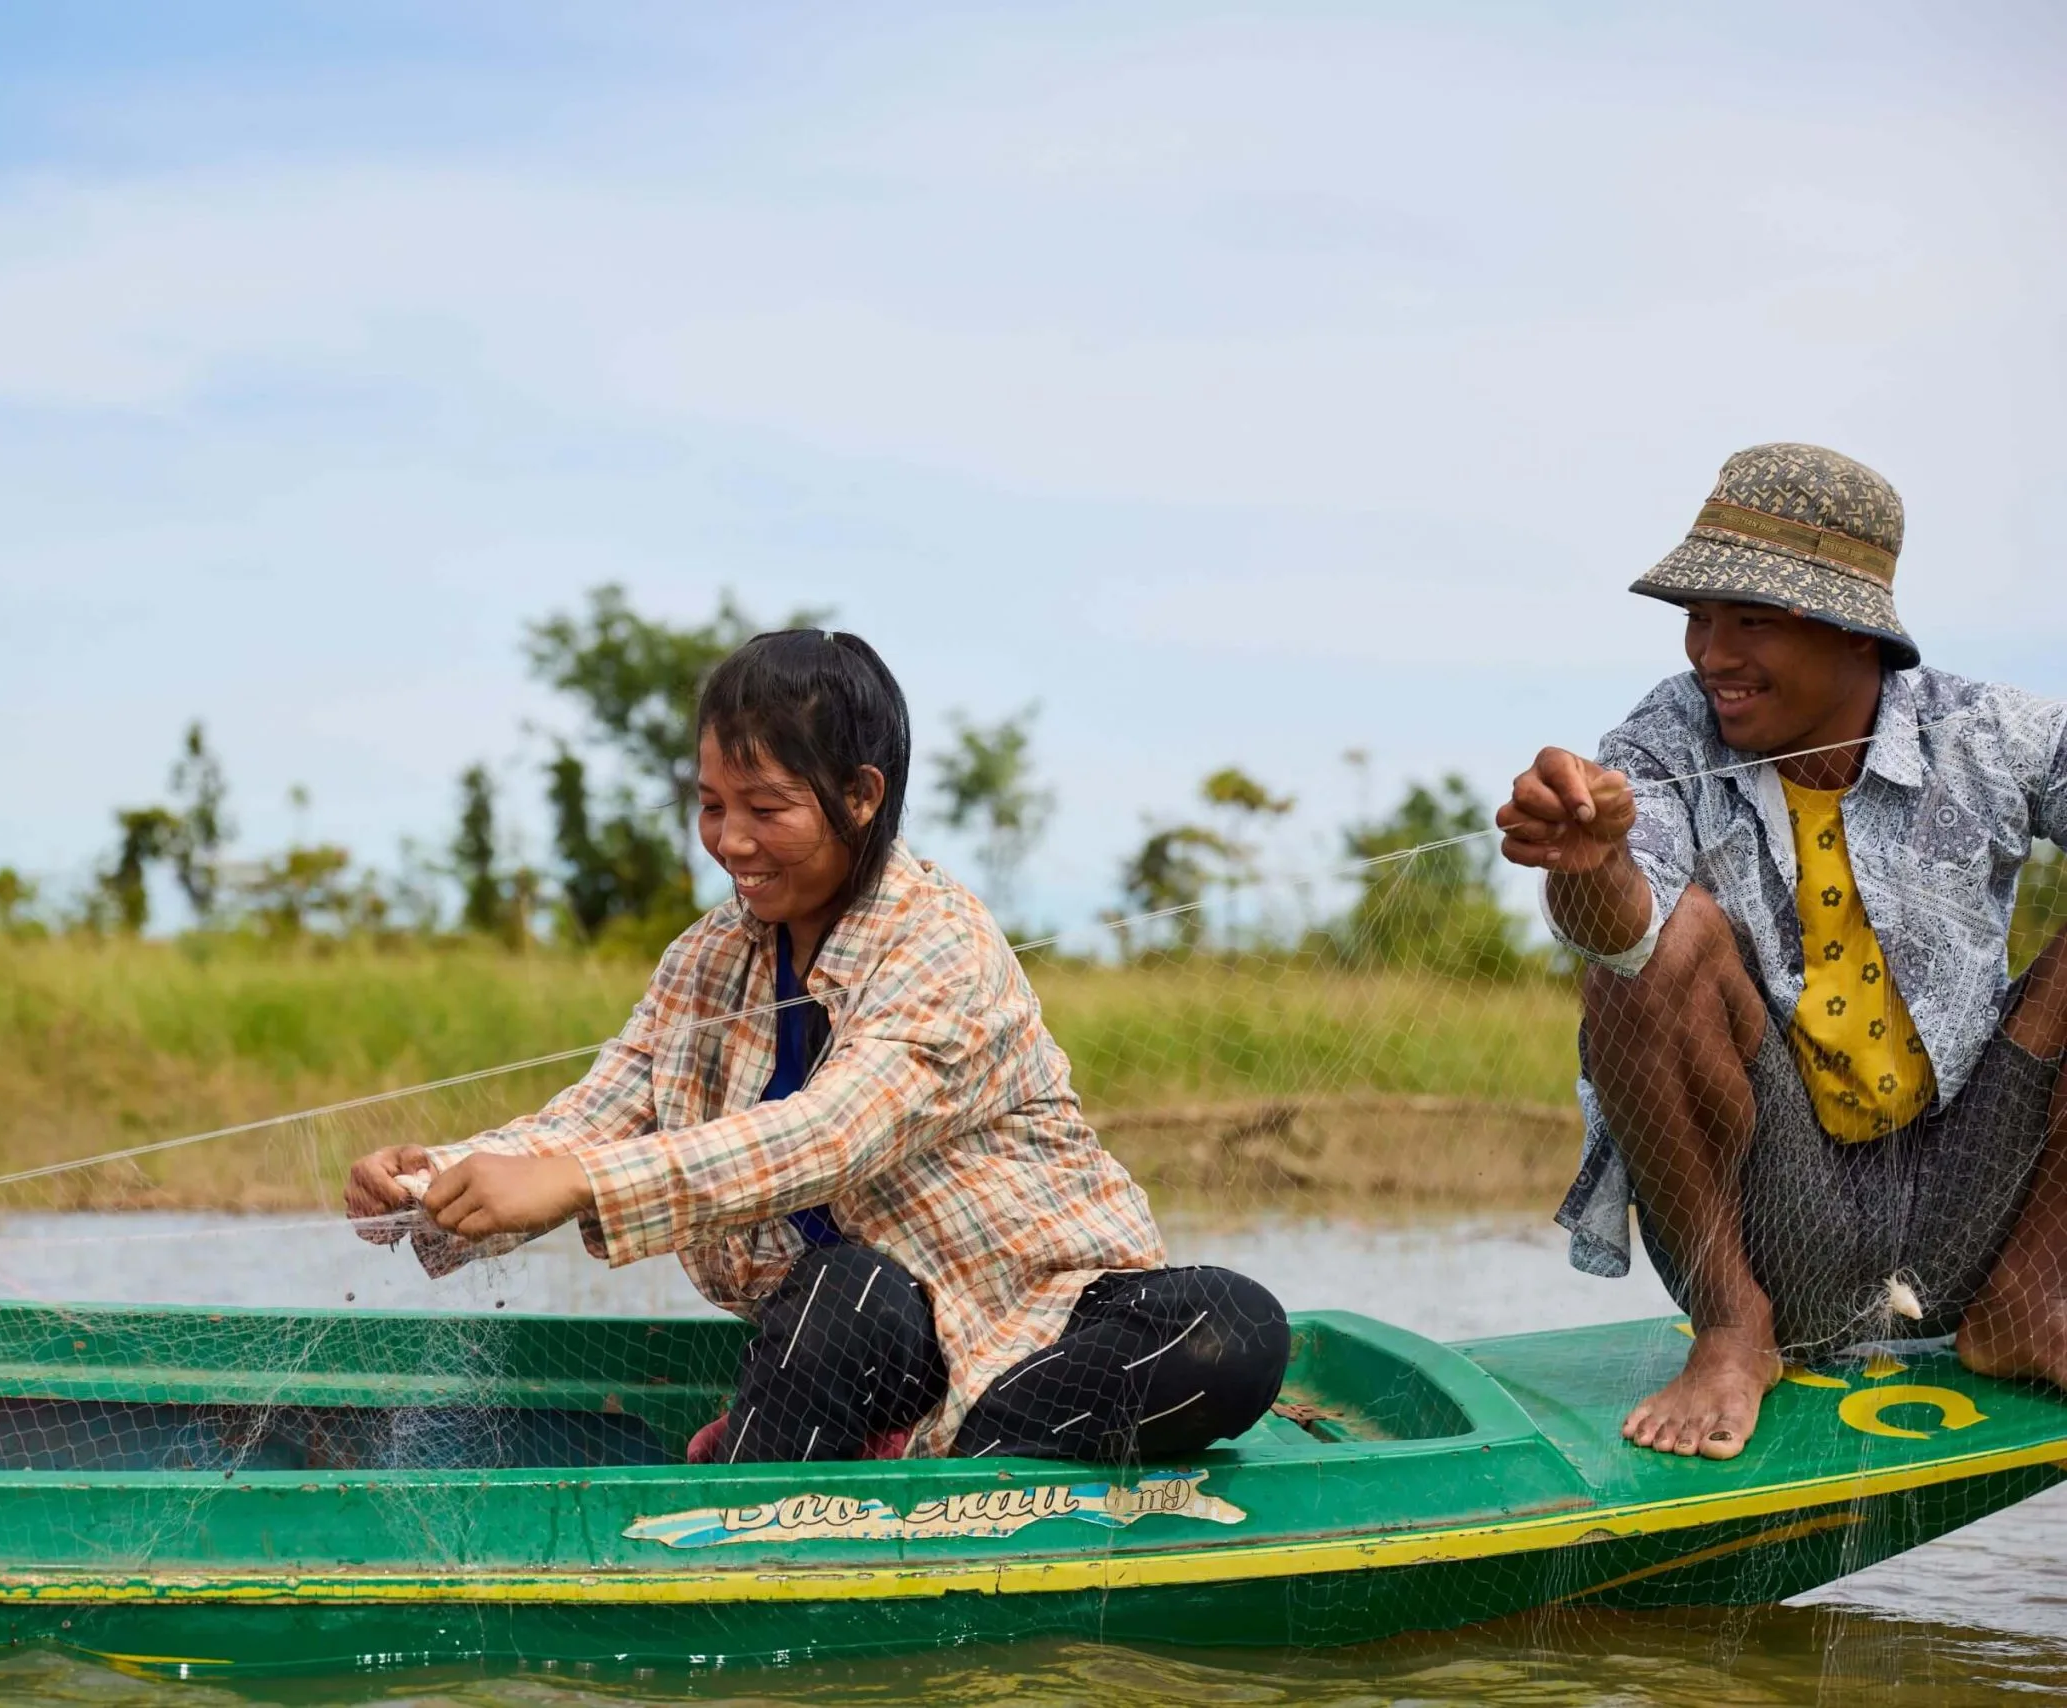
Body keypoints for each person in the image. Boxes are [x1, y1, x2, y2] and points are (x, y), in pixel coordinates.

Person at [348, 628, 1289, 1463]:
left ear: (861, 796)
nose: (731, 841)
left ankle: (917, 1456)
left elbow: (831, 1134)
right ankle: (836, 1471)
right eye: (713, 805)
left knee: (1234, 1329)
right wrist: (434, 1182)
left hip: (1042, 1331)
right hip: (867, 1341)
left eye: (767, 807)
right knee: (851, 1291)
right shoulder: (708, 959)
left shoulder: (942, 943)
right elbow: (595, 1117)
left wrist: (587, 1184)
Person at [1499, 443, 2067, 1461]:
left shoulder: (1981, 731)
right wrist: (1587, 864)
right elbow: (1617, 935)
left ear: (1856, 635)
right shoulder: (1665, 740)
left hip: (1974, 1203)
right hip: (1781, 1230)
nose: (1709, 653)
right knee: (1668, 939)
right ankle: (1731, 1332)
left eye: (1749, 620)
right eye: (1698, 618)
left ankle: (2027, 1305)